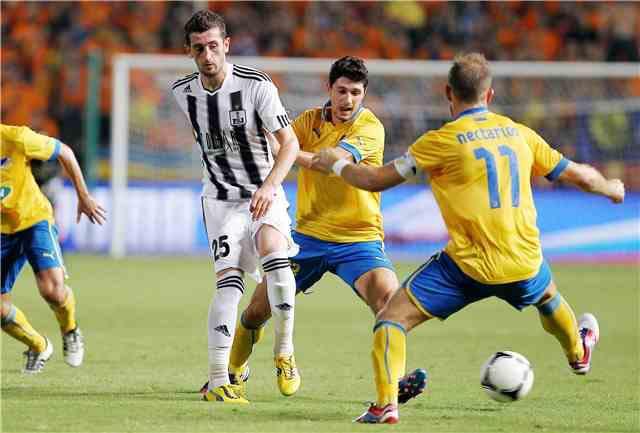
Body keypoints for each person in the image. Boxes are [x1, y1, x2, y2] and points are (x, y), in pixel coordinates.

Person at [313, 52, 626, 424]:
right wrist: (611, 188)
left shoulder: (440, 141)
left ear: (448, 93)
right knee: (547, 296)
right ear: (489, 95)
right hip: (522, 260)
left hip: (466, 267)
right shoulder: (520, 133)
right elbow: (581, 176)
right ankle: (578, 353)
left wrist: (336, 163)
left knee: (390, 320)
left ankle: (385, 405)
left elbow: (374, 179)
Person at [200, 56, 427, 403]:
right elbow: (274, 144)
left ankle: (394, 385)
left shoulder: (370, 127)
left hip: (359, 239)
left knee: (388, 300)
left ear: (364, 94)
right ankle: (231, 373)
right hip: (307, 238)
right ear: (330, 89)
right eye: (342, 91)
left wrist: (287, 149)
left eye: (355, 92)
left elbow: (330, 163)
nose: (348, 100)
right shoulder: (308, 121)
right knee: (256, 311)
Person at [172, 10, 300, 404]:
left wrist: (270, 185)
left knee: (275, 256)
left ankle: (284, 353)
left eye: (214, 46)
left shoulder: (256, 86)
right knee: (228, 285)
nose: (207, 55)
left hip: (264, 194)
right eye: (199, 48)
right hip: (220, 202)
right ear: (189, 51)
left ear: (226, 45)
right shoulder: (182, 92)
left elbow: (290, 143)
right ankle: (218, 382)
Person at [1, 124, 106, 374]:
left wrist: (83, 196)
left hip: (33, 219)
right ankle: (38, 345)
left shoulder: (16, 138)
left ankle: (70, 330)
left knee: (52, 291)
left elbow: (65, 152)